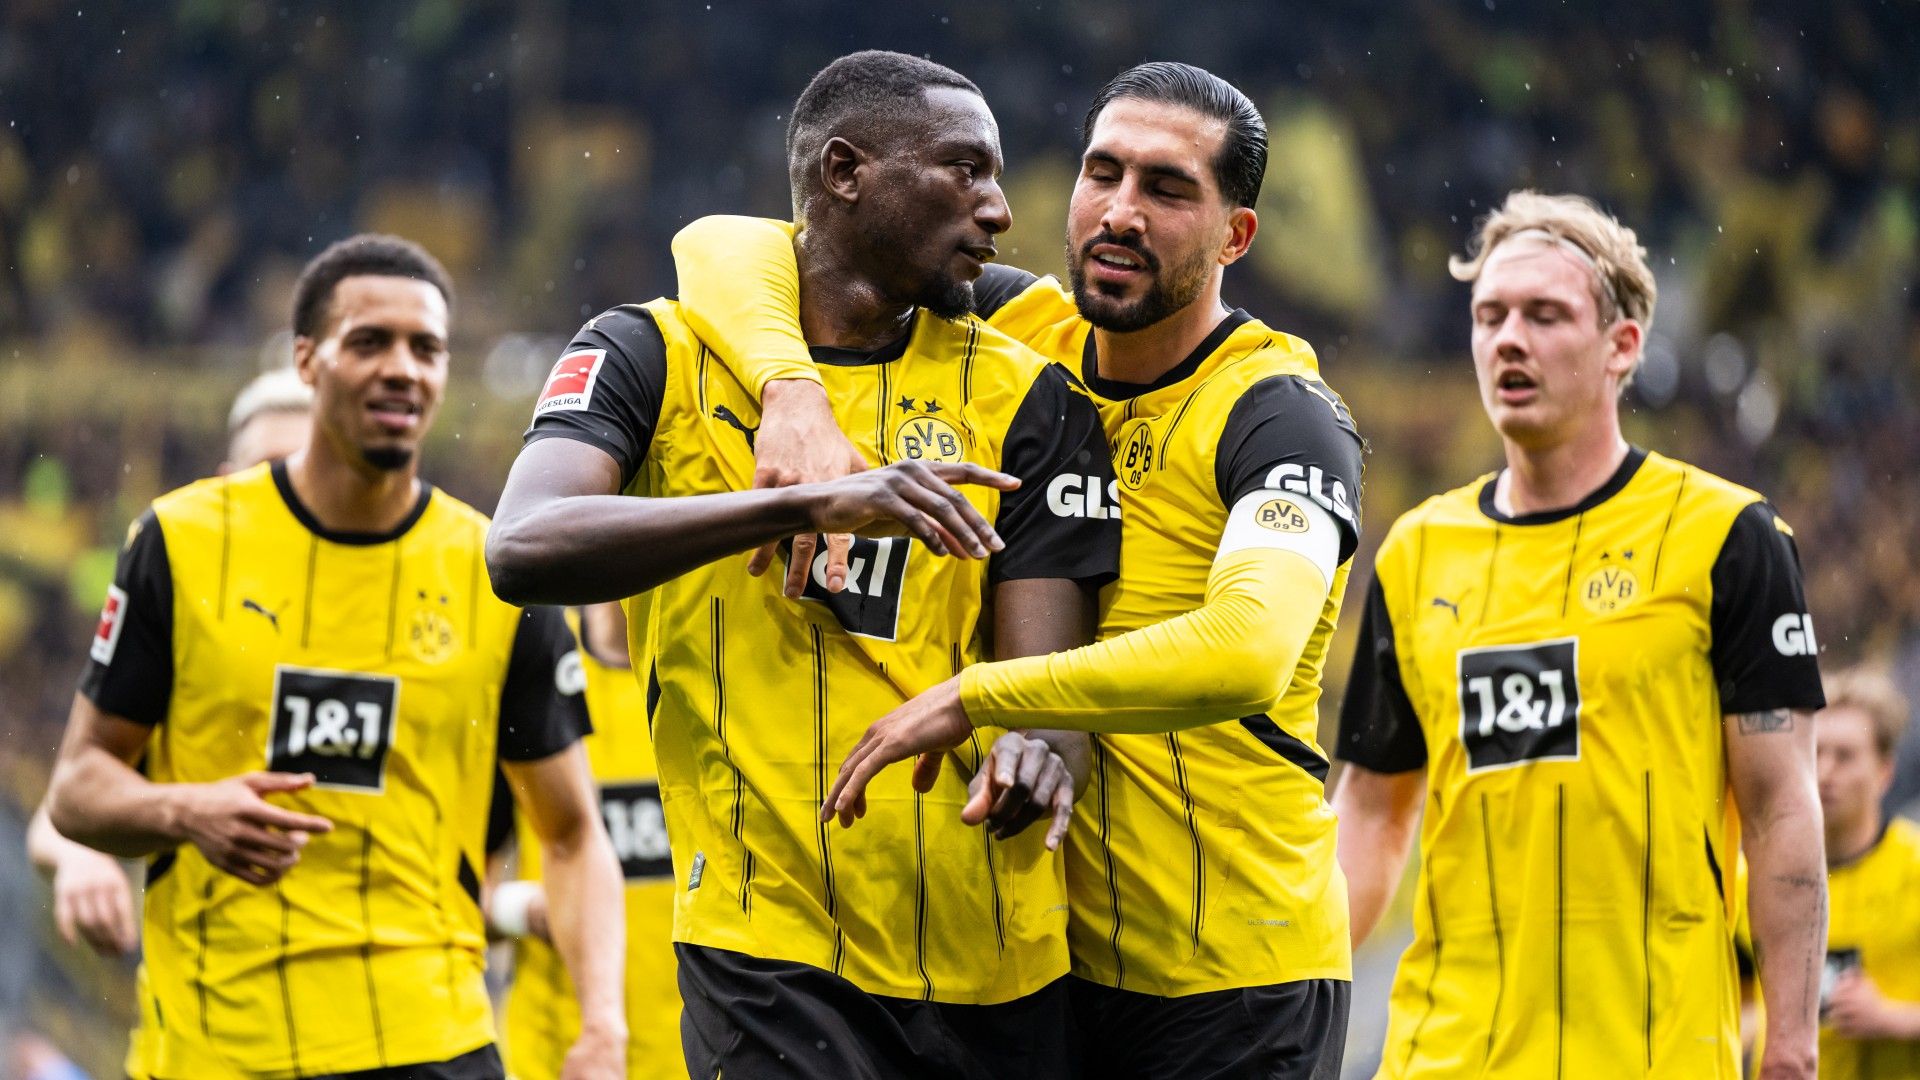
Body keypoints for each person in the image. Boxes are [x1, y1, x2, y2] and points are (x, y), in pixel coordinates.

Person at [672, 60, 1363, 1079]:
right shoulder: (1020, 331)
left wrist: (981, 696)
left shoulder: (1282, 416)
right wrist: (791, 392)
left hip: (1233, 982)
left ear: (1235, 236)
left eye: (1167, 190)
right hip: (1051, 972)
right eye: (1103, 173)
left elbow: (1250, 649)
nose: (1120, 213)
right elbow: (725, 244)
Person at [486, 51, 1120, 1078]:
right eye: (965, 170)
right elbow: (521, 547)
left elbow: (1048, 685)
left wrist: (1046, 750)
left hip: (995, 950)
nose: (999, 209)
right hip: (765, 945)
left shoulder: (1028, 395)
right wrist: (799, 504)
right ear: (844, 172)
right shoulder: (654, 356)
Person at [45, 234, 628, 1080]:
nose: (403, 368)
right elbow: (76, 788)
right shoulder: (178, 543)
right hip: (215, 1047)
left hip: (431, 1042)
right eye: (371, 342)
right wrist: (188, 812)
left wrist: (601, 1028)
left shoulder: (497, 571)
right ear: (307, 360)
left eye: (425, 348)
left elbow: (573, 834)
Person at [1331, 191, 1827, 1079]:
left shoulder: (1727, 537)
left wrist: (1790, 1043)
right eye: (1490, 316)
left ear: (1621, 346)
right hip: (1445, 1054)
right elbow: (1370, 811)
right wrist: (1300, 999)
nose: (1508, 339)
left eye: (1544, 315)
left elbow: (1781, 808)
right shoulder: (1415, 553)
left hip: (1656, 1049)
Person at [27, 365, 315, 1080]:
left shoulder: (419, 612)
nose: (281, 494)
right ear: (223, 480)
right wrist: (84, 854)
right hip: (201, 1037)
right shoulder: (187, 625)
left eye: (303, 471)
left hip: (393, 1039)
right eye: (262, 473)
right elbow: (64, 804)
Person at [489, 600, 684, 1079]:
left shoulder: (721, 672)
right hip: (561, 1060)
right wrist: (527, 910)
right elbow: (446, 891)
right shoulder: (534, 665)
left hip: (702, 1058)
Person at [1813, 667, 1920, 1077]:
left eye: (1844, 755)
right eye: (1816, 751)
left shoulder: (1912, 867)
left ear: (1884, 771)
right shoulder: (1756, 878)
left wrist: (1893, 1018)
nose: (1824, 773)